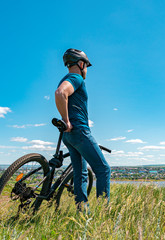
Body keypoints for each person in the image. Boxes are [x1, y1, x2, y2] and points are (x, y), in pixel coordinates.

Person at [55, 48, 111, 211]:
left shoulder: (65, 78)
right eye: (86, 66)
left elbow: (60, 93)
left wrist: (66, 123)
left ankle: (82, 211)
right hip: (79, 131)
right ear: (81, 64)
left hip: (68, 136)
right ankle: (103, 214)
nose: (86, 70)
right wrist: (67, 120)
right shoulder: (76, 78)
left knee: (80, 174)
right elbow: (60, 93)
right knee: (103, 169)